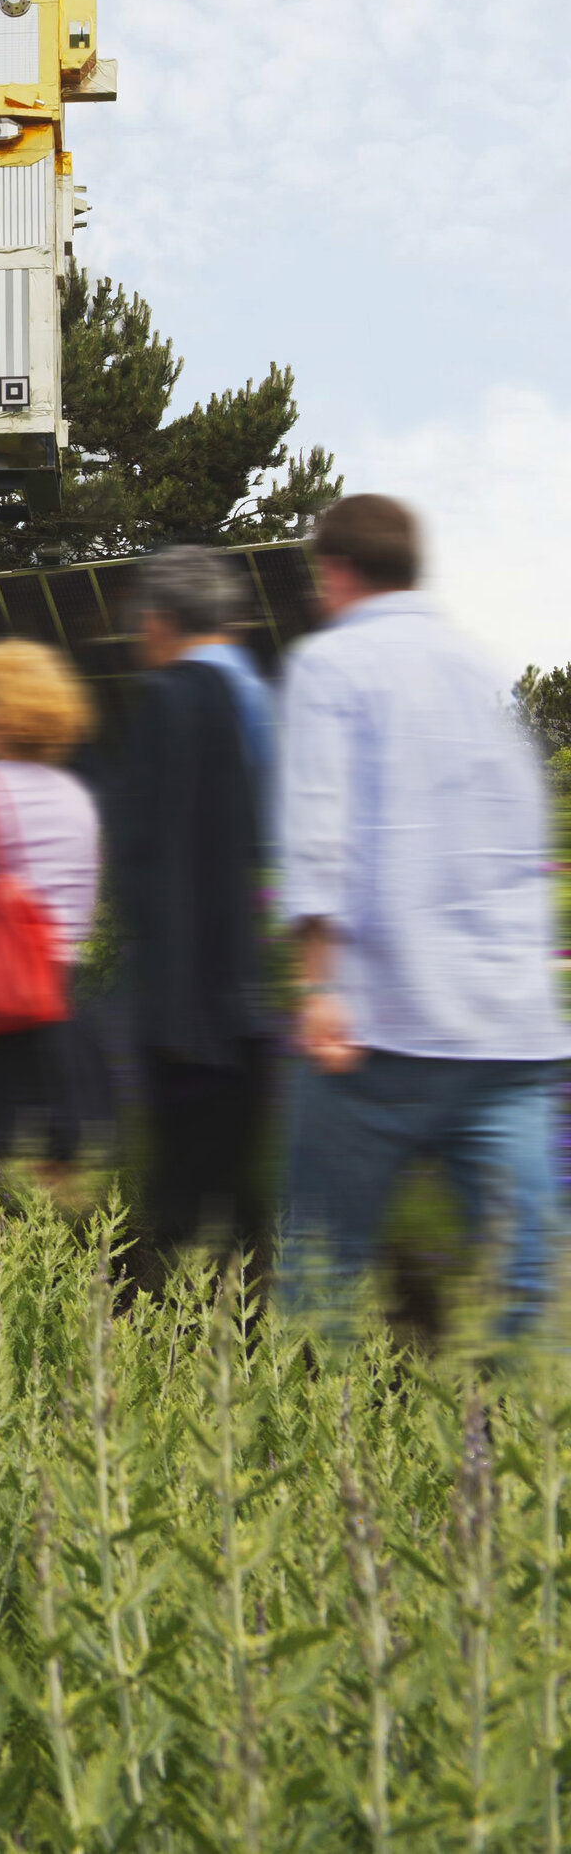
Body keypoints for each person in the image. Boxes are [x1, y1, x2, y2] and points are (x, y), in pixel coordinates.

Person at [279, 493, 567, 1340]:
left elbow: (318, 832)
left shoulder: (331, 664)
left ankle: (312, 1457)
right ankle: (529, 1458)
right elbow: (524, 834)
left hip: (379, 1032)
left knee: (322, 1282)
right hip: (508, 1032)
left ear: (334, 572)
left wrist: (317, 985)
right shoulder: (480, 665)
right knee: (528, 1291)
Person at [109, 548, 274, 1263]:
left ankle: (163, 1358)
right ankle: (260, 1351)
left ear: (161, 619)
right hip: (242, 1003)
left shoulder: (172, 699)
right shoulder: (247, 699)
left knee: (176, 1216)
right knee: (238, 1211)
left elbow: (164, 861)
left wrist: (173, 1018)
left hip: (190, 1019)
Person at [0, 636, 101, 1165]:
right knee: (60, 1161)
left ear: (0, 712)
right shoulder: (77, 796)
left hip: (0, 993)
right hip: (60, 998)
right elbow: (82, 909)